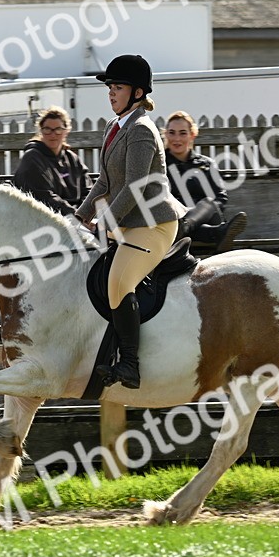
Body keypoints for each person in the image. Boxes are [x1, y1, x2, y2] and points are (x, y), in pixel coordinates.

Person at [75, 54, 186, 390]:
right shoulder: (114, 127)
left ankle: (130, 365)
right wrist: (80, 215)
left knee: (118, 281)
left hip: (154, 225)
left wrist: (106, 220)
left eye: (117, 87)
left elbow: (134, 188)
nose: (110, 93)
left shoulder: (140, 130)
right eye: (109, 87)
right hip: (128, 224)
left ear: (137, 93)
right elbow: (105, 183)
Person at [164, 110, 249, 253]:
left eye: (183, 133)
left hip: (206, 217)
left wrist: (195, 213)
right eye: (172, 132)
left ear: (192, 135)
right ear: (165, 134)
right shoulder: (159, 164)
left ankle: (184, 227)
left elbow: (220, 198)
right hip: (173, 219)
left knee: (208, 202)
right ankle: (217, 233)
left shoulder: (206, 164)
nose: (176, 138)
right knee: (178, 219)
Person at [11, 105, 92, 215]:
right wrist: (76, 216)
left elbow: (88, 190)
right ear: (41, 131)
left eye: (58, 130)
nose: (53, 134)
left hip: (77, 217)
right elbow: (44, 197)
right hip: (45, 220)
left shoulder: (73, 159)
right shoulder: (32, 158)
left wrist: (85, 214)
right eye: (47, 129)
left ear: (66, 131)